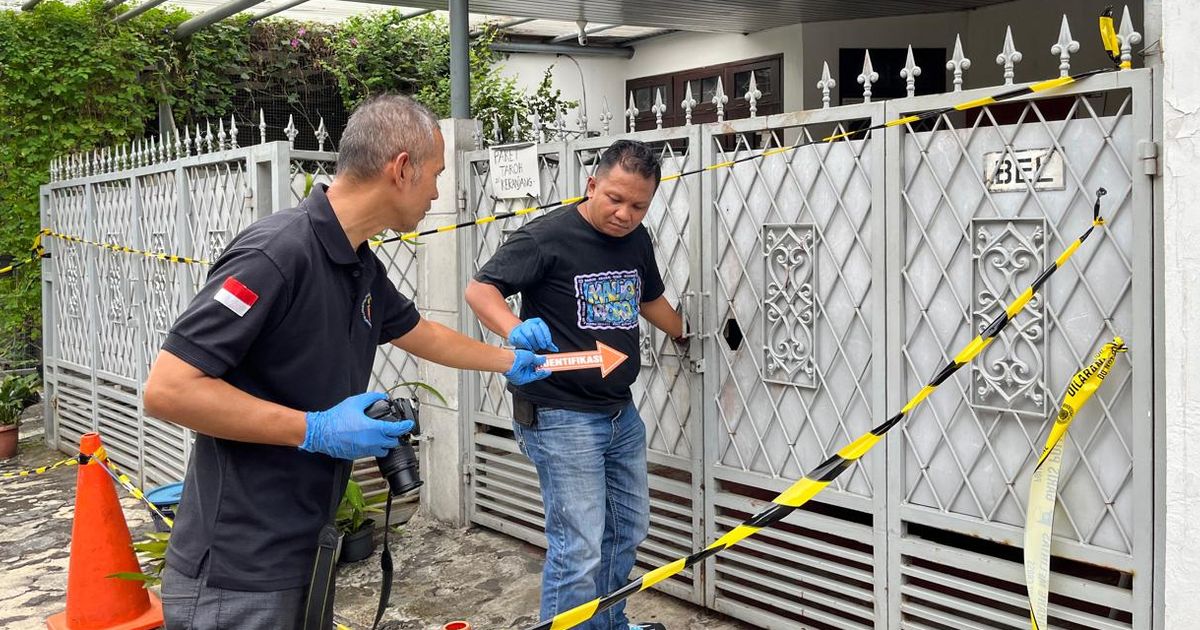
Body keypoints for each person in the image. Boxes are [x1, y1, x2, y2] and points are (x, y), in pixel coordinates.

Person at [142, 94, 549, 630]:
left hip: (306, 547)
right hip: (237, 567)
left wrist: (507, 358)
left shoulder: (357, 260)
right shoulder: (277, 253)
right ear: (401, 169)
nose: (435, 192)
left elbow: (419, 332)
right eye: (435, 175)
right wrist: (316, 429)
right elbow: (168, 389)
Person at [465, 139, 685, 630]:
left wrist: (682, 328)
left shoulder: (637, 239)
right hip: (559, 415)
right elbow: (480, 288)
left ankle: (608, 623)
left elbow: (648, 297)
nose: (625, 214)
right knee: (579, 543)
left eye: (638, 205)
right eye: (614, 198)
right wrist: (512, 329)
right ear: (591, 185)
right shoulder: (546, 237)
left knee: (627, 530)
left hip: (618, 413)